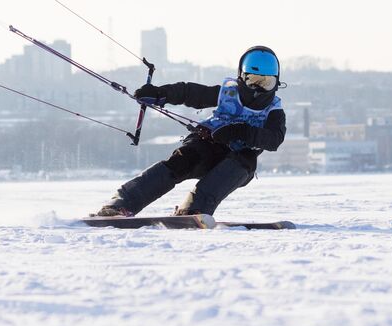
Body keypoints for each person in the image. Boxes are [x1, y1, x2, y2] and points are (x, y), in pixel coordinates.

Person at [97, 46, 286, 217]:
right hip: (207, 145)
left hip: (237, 162)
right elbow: (189, 92)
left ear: (276, 84)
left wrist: (238, 131)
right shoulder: (228, 93)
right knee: (181, 161)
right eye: (252, 81)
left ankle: (194, 209)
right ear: (241, 78)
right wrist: (160, 93)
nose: (258, 89)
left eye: (266, 83)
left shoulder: (274, 111)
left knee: (244, 160)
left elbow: (274, 139)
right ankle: (120, 204)